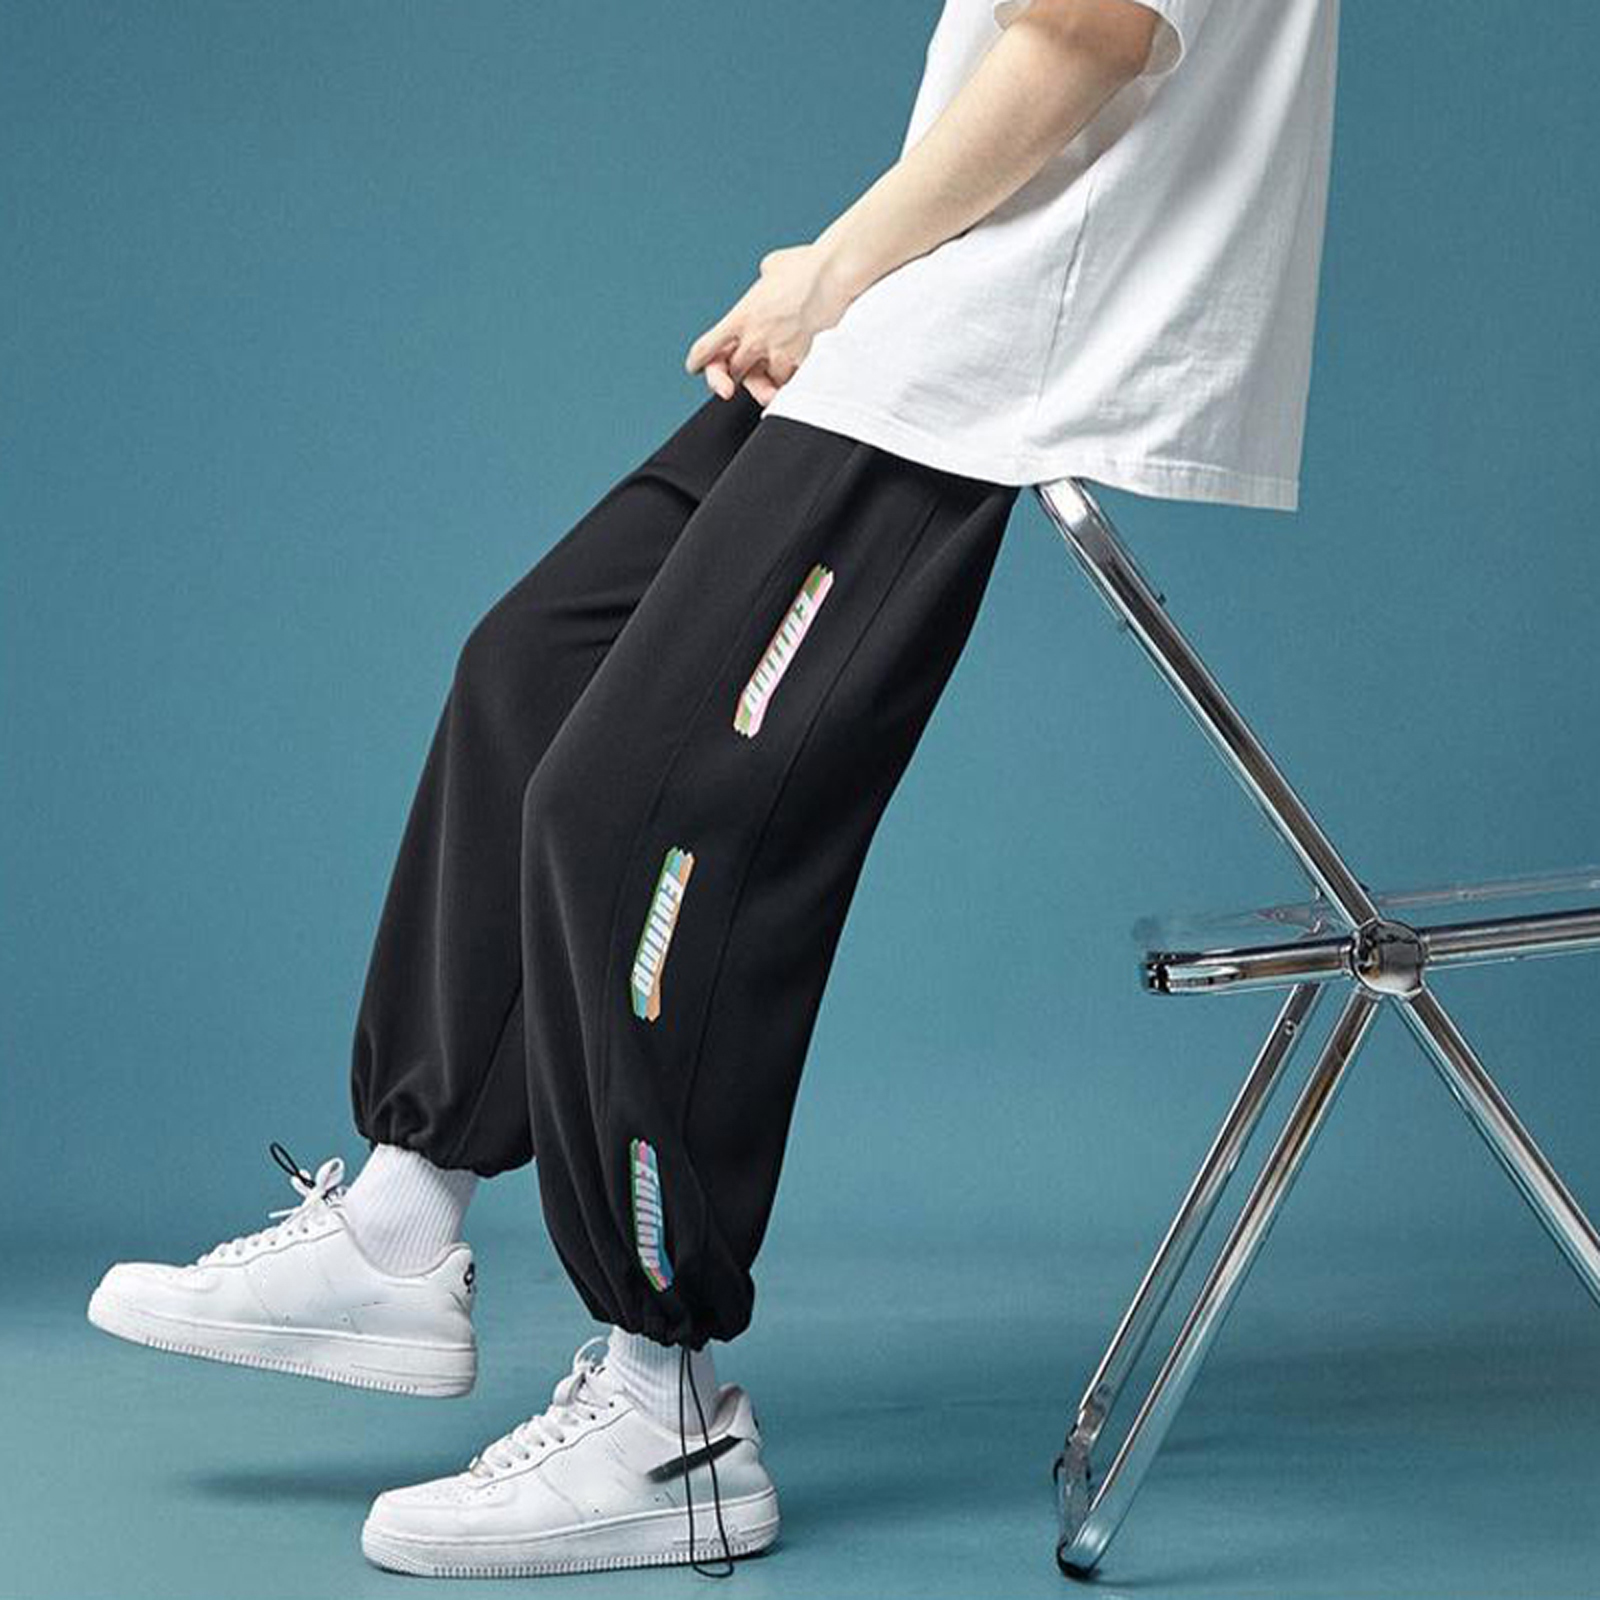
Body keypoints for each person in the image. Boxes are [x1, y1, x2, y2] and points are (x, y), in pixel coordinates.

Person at [86, 0, 1340, 1578]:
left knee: (636, 819)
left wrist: (837, 264)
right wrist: (856, 271)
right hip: (929, 306)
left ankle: (666, 1415)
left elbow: (1085, 26)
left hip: (1011, 333)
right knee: (528, 674)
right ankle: (404, 1222)